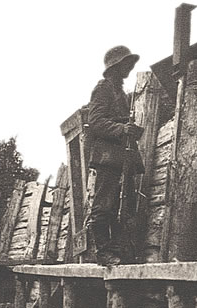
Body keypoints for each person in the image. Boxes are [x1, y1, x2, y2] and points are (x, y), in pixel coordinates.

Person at [87, 45, 144, 266]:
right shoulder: (103, 88)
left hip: (123, 158)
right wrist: (122, 129)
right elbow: (96, 122)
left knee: (124, 208)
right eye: (126, 64)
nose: (130, 68)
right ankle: (104, 252)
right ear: (115, 66)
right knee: (103, 206)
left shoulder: (120, 93)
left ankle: (120, 252)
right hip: (108, 158)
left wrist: (130, 129)